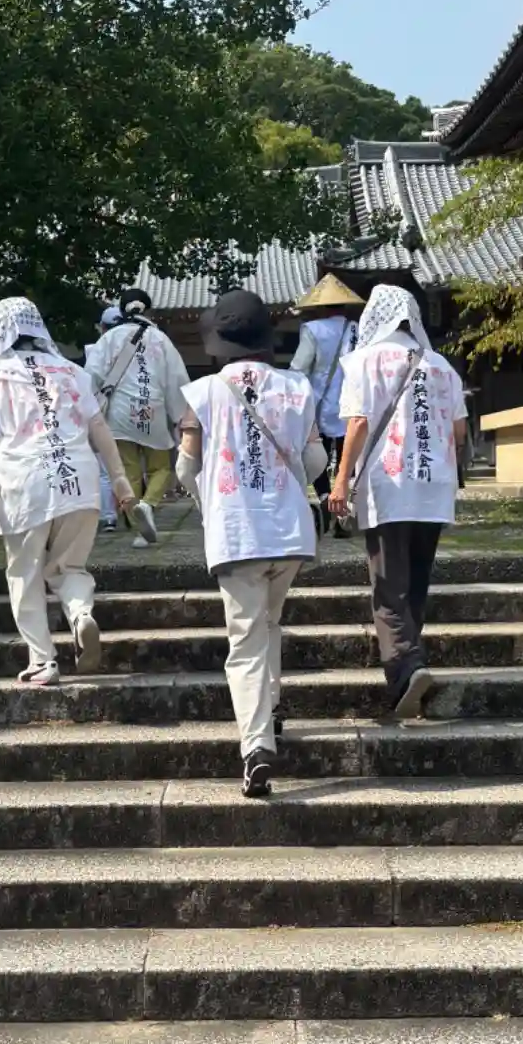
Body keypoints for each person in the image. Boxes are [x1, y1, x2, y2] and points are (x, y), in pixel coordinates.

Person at [0, 296, 156, 686]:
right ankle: (81, 614)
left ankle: (43, 660)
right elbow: (100, 431)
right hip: (79, 481)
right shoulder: (71, 372)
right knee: (70, 568)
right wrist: (122, 486)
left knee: (25, 573)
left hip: (24, 483)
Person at [177, 289, 327, 798]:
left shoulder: (203, 392)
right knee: (269, 623)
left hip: (237, 532)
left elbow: (186, 466)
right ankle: (273, 707)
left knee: (245, 641)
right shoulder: (297, 386)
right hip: (289, 532)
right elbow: (315, 461)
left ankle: (257, 746)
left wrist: (207, 500)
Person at [328, 283, 468, 721]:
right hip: (434, 486)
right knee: (416, 583)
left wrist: (340, 480)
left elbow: (358, 424)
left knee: (389, 586)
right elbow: (459, 431)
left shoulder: (363, 361)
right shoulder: (441, 365)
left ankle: (408, 667)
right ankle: (408, 669)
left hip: (388, 485)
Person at [86, 288, 190, 548]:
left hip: (119, 414)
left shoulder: (109, 338)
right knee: (162, 468)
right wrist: (179, 414)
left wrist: (90, 410)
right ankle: (149, 504)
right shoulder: (160, 339)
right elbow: (176, 378)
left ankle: (139, 531)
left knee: (127, 472)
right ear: (148, 309)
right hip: (152, 411)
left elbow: (92, 375)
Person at [289, 272, 365, 534]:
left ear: (320, 306)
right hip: (353, 403)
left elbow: (299, 368)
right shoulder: (358, 328)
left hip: (318, 405)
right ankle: (344, 512)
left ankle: (324, 500)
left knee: (317, 457)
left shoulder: (313, 330)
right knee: (348, 460)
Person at [85, 304, 125, 532]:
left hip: (100, 413)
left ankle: (109, 516)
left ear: (102, 327)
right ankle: (133, 510)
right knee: (128, 465)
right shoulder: (134, 350)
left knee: (103, 468)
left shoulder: (93, 352)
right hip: (127, 415)